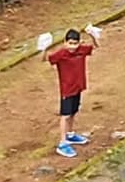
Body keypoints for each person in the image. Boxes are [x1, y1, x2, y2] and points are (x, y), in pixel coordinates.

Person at [38, 24, 103, 156]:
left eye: (75, 43)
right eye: (70, 43)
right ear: (65, 42)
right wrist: (44, 48)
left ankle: (70, 134)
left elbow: (96, 46)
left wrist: (92, 35)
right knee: (65, 115)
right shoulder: (61, 54)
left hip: (78, 87)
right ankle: (62, 143)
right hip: (67, 90)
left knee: (73, 112)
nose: (73, 47)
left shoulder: (81, 50)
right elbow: (44, 59)